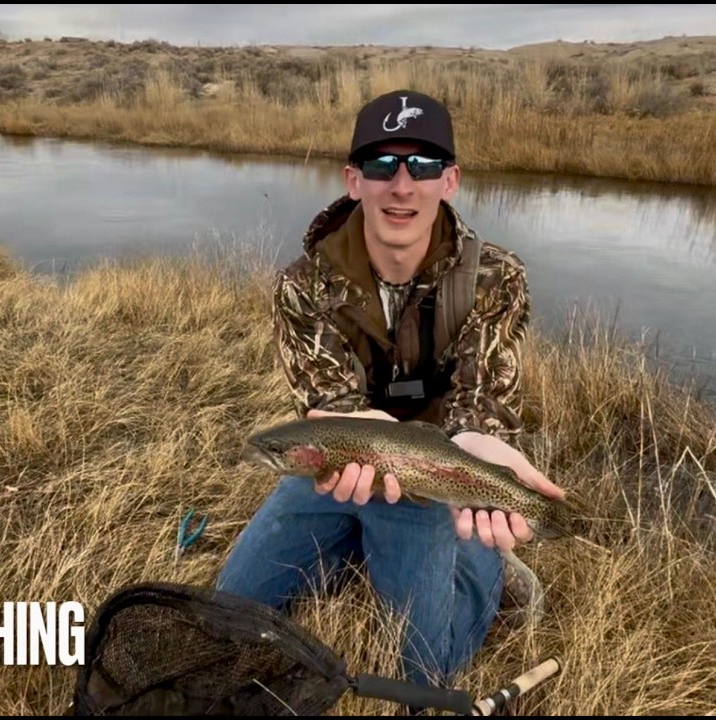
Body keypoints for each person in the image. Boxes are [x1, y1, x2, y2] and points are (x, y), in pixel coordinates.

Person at [216, 89, 567, 698]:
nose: (401, 185)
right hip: (343, 469)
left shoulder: (496, 278)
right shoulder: (302, 287)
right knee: (230, 619)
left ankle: (486, 571)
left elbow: (484, 398)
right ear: (354, 180)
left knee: (423, 672)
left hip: (436, 475)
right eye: (382, 165)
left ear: (449, 180)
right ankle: (364, 539)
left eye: (423, 165)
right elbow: (328, 402)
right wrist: (351, 440)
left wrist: (475, 445)